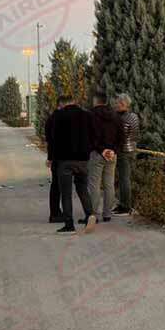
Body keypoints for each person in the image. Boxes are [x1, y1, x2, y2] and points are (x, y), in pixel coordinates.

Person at [44, 94, 95, 234]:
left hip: (64, 160)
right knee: (82, 189)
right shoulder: (87, 115)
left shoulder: (58, 116)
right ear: (74, 102)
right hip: (83, 160)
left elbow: (53, 139)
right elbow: (93, 136)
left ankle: (69, 225)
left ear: (62, 104)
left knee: (66, 193)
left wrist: (50, 157)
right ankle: (90, 214)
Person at [88, 93, 122, 222]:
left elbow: (90, 136)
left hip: (96, 153)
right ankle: (107, 214)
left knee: (94, 185)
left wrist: (102, 150)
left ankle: (94, 214)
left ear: (95, 101)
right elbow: (121, 137)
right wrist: (113, 150)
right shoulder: (115, 116)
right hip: (112, 155)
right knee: (109, 184)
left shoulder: (90, 115)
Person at [113, 93, 139, 215]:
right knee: (126, 178)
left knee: (124, 179)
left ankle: (125, 206)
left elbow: (120, 136)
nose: (116, 105)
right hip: (132, 149)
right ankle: (124, 204)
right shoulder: (134, 116)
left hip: (123, 151)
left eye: (118, 103)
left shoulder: (122, 118)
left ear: (123, 104)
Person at [44, 103, 64, 223]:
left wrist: (50, 157)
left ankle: (55, 212)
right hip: (62, 157)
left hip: (55, 156)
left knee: (56, 185)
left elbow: (49, 140)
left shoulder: (51, 118)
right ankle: (57, 213)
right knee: (59, 186)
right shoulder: (60, 118)